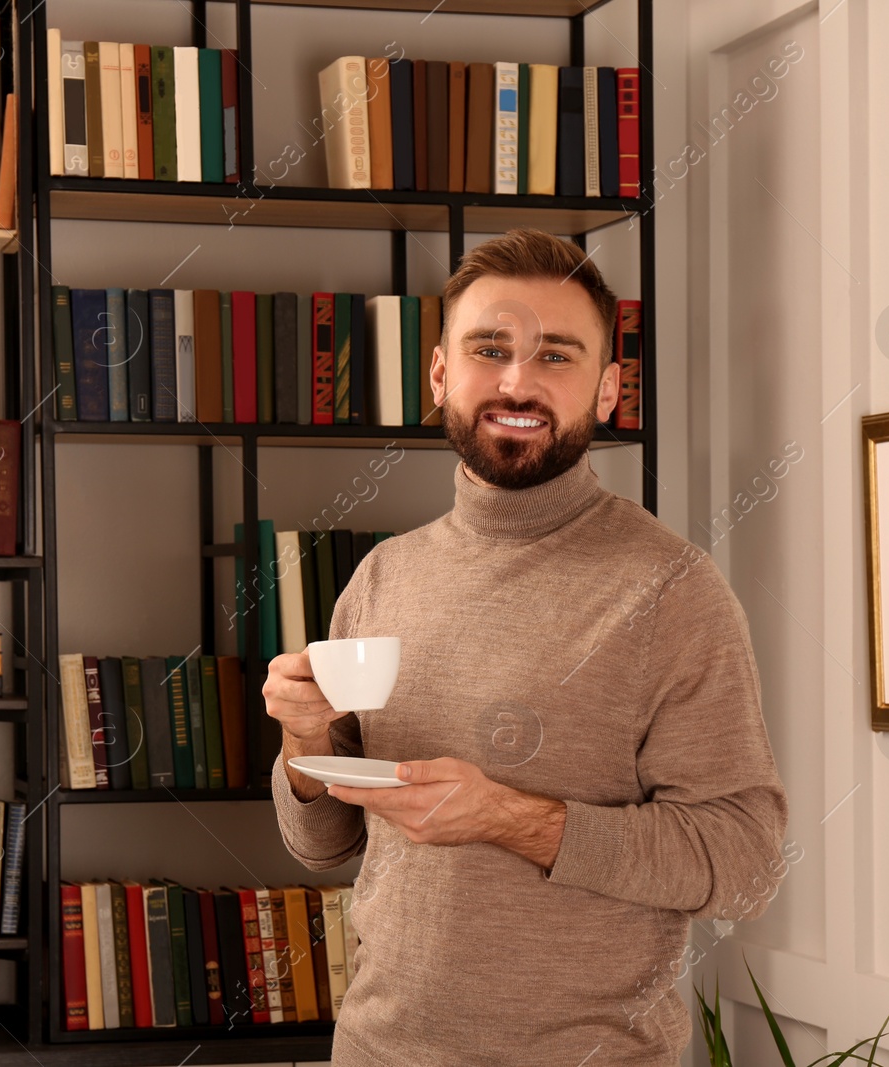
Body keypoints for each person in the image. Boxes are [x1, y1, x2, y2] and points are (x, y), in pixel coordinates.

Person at [265, 228, 789, 1066]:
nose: (518, 381)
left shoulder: (672, 590)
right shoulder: (382, 576)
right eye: (490, 348)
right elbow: (324, 842)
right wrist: (302, 739)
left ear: (608, 388)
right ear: (440, 374)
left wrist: (514, 819)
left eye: (556, 356)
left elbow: (746, 860)